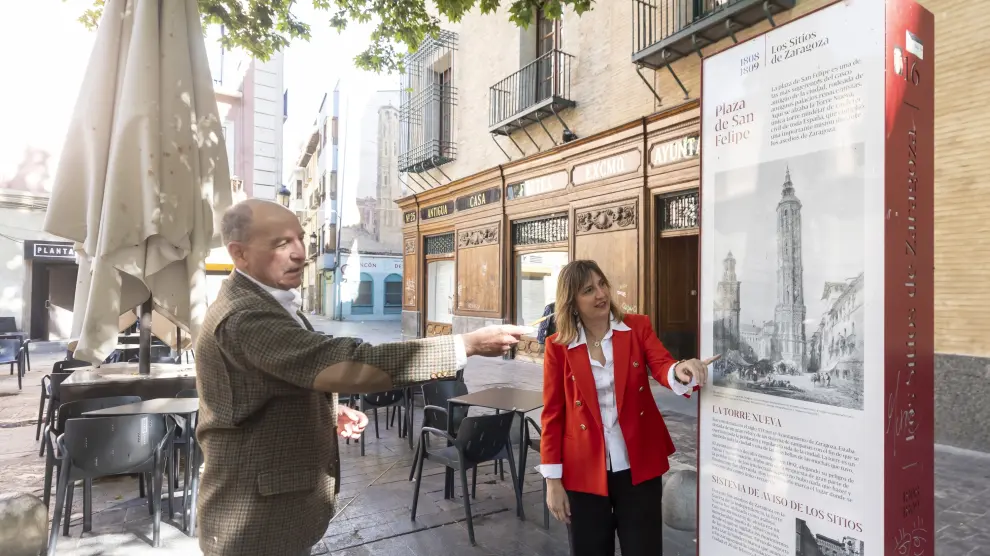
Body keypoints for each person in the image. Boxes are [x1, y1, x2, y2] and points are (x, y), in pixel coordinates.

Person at [195, 199, 527, 556]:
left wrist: (327, 413)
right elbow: (345, 362)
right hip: (255, 522)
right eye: (280, 244)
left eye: (299, 238)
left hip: (275, 513)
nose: (299, 253)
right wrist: (465, 345)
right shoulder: (245, 315)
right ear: (239, 254)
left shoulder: (268, 301)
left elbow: (273, 381)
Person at [538, 260, 718, 556]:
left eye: (602, 284)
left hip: (638, 463)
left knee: (643, 548)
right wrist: (552, 481)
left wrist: (680, 369)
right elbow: (553, 414)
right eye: (588, 290)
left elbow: (662, 364)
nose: (600, 294)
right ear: (571, 301)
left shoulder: (636, 327)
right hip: (582, 468)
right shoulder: (558, 346)